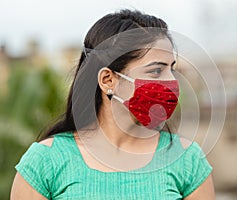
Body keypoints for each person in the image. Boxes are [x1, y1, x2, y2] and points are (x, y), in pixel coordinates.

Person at [10, 9, 215, 199]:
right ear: (108, 80)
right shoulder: (45, 162)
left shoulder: (188, 161)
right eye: (155, 71)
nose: (171, 82)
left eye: (172, 69)